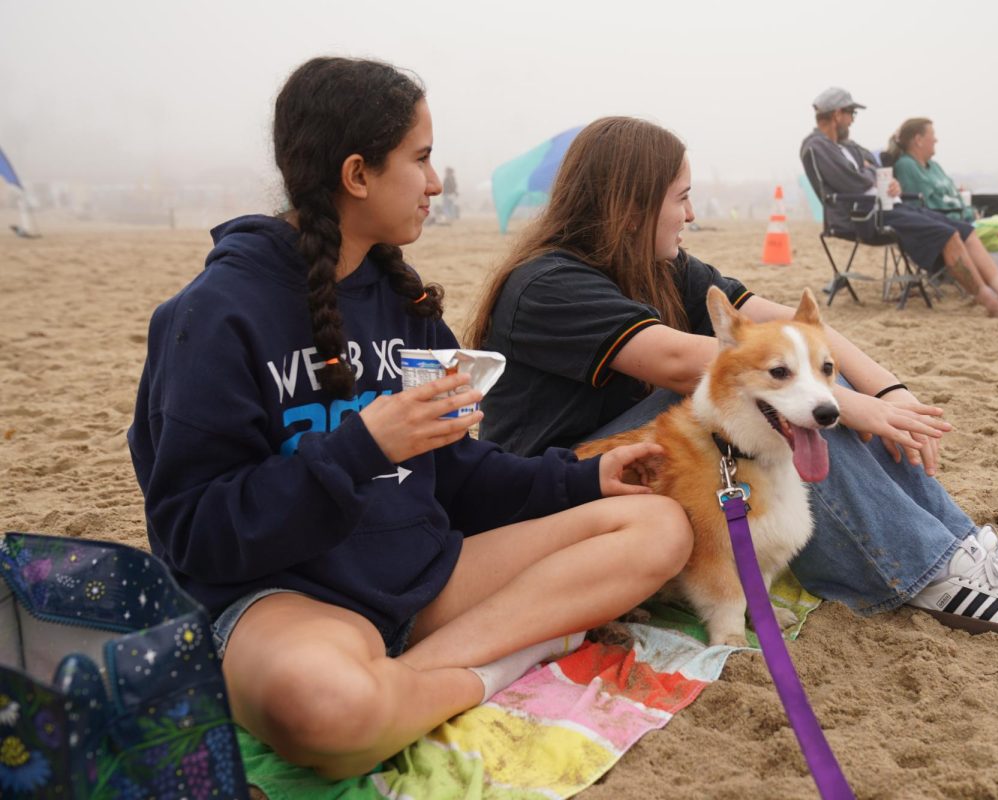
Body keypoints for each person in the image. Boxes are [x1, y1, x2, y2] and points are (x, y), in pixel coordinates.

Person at [127, 58, 692, 780]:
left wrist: (581, 481)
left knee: (657, 525)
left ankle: (408, 682)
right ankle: (489, 669)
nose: (435, 182)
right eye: (421, 159)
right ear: (357, 174)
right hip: (291, 602)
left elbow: (454, 473)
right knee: (324, 710)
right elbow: (191, 531)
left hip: (423, 578)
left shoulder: (404, 303)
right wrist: (360, 447)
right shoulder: (213, 316)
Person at [464, 116, 998, 641]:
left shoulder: (665, 266)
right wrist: (839, 402)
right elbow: (686, 366)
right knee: (780, 397)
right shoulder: (548, 283)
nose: (689, 212)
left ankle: (961, 547)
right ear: (630, 207)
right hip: (559, 481)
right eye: (680, 197)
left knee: (801, 376)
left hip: (641, 460)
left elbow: (793, 328)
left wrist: (887, 392)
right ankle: (922, 570)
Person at [800, 88, 998, 319]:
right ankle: (992, 303)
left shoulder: (849, 147)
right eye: (851, 114)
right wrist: (873, 178)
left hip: (889, 207)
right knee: (946, 235)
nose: (853, 119)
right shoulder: (816, 147)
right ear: (836, 115)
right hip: (864, 216)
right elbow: (852, 182)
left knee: (964, 230)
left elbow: (877, 173)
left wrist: (889, 183)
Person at [888, 117, 998, 285]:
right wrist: (964, 213)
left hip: (965, 222)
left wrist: (968, 209)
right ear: (918, 140)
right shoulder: (907, 166)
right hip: (951, 229)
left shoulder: (934, 166)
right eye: (933, 134)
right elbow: (921, 209)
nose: (936, 139)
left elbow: (950, 196)